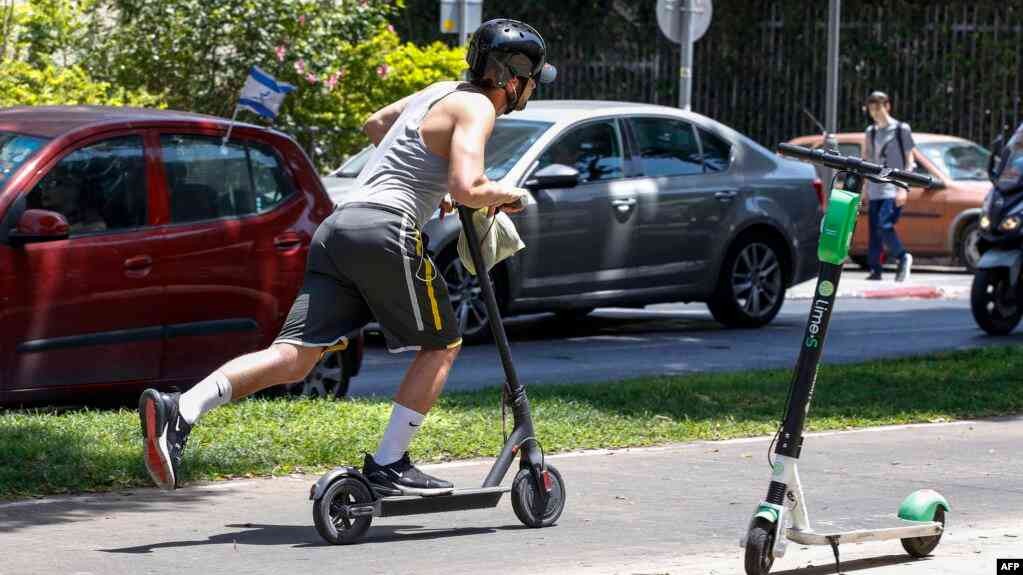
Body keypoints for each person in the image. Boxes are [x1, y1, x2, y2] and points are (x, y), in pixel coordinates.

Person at [138, 18, 556, 494]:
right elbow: (469, 186)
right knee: (443, 344)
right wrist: (509, 195)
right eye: (530, 81)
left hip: (338, 227)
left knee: (293, 357)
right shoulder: (478, 105)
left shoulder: (439, 91)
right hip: (385, 228)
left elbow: (376, 124)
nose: (529, 91)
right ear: (512, 79)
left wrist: (426, 178)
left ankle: (182, 409)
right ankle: (389, 463)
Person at [863, 91, 915, 282]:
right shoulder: (871, 132)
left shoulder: (902, 129)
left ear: (887, 106)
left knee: (885, 225)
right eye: (871, 109)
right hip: (875, 188)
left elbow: (910, 161)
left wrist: (903, 187)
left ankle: (903, 257)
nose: (875, 113)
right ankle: (875, 270)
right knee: (874, 230)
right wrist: (864, 189)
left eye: (878, 108)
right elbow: (867, 160)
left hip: (893, 188)